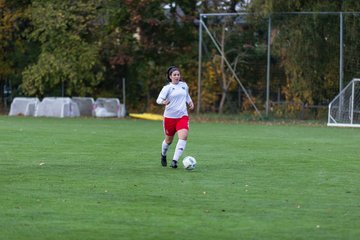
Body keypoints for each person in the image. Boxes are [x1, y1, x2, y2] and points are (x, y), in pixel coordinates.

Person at [156, 66, 194, 168]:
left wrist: (190, 102)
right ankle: (163, 155)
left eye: (178, 74)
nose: (177, 76)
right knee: (168, 141)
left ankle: (174, 161)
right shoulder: (167, 88)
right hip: (169, 118)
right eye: (175, 75)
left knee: (184, 135)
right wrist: (163, 101)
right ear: (170, 77)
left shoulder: (184, 85)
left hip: (182, 116)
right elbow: (158, 100)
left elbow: (186, 96)